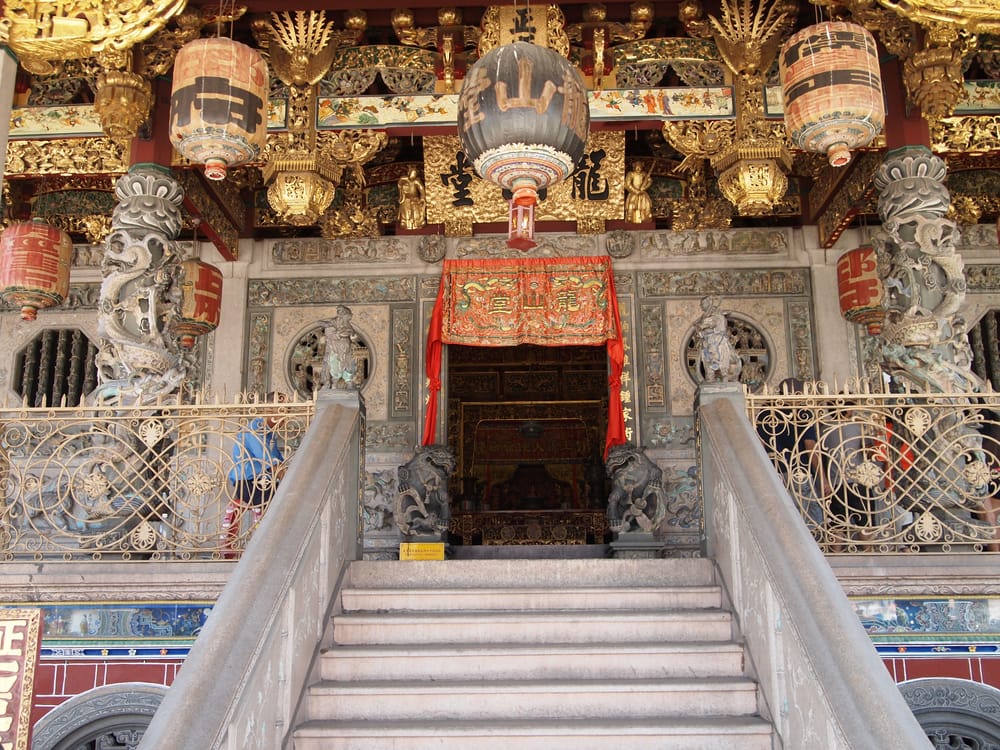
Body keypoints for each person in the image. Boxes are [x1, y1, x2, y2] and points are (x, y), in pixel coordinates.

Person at [221, 393, 287, 554]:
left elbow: (280, 461)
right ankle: (265, 546)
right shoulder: (256, 429)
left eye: (288, 409)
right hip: (250, 482)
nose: (286, 414)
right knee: (283, 501)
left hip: (261, 480)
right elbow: (270, 463)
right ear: (268, 409)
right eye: (282, 408)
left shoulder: (269, 434)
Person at [318, 305, 361, 389]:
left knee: (348, 365)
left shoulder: (347, 324)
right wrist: (335, 333)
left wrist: (352, 335)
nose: (349, 318)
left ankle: (348, 382)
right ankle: (334, 383)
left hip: (346, 348)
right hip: (335, 348)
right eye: (348, 316)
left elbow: (354, 335)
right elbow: (323, 324)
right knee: (334, 365)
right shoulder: (334, 322)